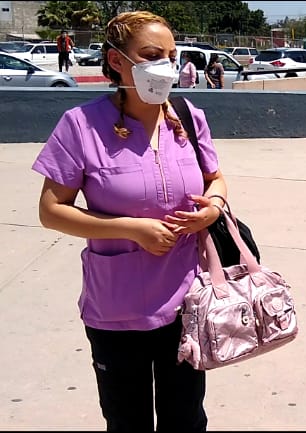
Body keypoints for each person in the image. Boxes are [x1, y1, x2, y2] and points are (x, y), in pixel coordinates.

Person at [31, 10, 228, 432]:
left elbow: (215, 178)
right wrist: (130, 228)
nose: (166, 66)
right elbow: (51, 211)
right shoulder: (80, 126)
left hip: (186, 304)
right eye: (152, 54)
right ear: (117, 60)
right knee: (127, 421)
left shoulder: (188, 116)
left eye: (171, 55)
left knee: (186, 419)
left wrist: (213, 206)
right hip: (116, 309)